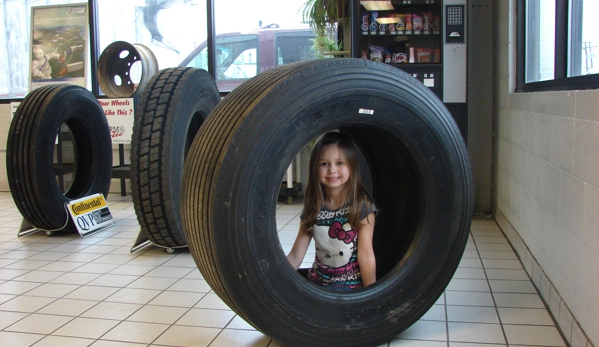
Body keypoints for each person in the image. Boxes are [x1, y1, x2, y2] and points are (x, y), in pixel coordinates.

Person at [287, 131, 377, 290]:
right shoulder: (313, 207)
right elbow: (296, 255)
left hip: (351, 289)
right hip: (317, 285)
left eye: (340, 163)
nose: (332, 170)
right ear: (315, 168)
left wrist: (371, 296)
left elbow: (366, 256)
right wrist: (275, 282)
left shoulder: (362, 206)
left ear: (352, 165)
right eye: (324, 164)